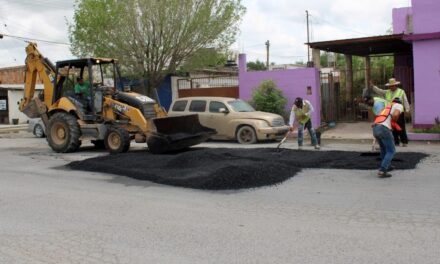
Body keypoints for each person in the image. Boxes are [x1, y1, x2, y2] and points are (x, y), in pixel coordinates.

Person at [371, 78, 410, 146]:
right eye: (390, 86)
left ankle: (404, 141)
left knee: (401, 127)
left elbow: (405, 101)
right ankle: (396, 142)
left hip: (399, 112)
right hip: (390, 112)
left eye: (393, 86)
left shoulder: (401, 91)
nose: (391, 87)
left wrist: (407, 110)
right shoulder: (387, 92)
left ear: (396, 85)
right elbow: (379, 91)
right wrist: (373, 87)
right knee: (392, 127)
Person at [372, 100, 404, 178]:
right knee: (391, 150)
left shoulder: (387, 107)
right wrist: (394, 122)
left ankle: (387, 166)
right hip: (383, 128)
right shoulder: (399, 105)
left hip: (375, 127)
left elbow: (378, 117)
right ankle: (382, 170)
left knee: (384, 149)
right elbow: (396, 115)